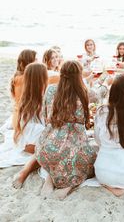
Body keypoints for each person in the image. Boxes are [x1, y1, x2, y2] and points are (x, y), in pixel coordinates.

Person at [35, 60, 97, 200]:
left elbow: (46, 117)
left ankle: (50, 179)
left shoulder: (50, 89)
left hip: (46, 147)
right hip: (71, 150)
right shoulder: (85, 93)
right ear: (79, 75)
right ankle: (68, 187)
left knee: (57, 158)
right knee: (91, 159)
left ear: (61, 74)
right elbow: (101, 95)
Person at [11, 63, 48, 188]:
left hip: (24, 142)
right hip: (34, 143)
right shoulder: (42, 99)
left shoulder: (25, 99)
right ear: (41, 79)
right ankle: (24, 172)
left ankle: (24, 172)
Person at [10, 49, 37, 130]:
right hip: (23, 120)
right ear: (29, 62)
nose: (38, 61)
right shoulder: (23, 79)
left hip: (19, 116)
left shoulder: (18, 77)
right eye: (35, 59)